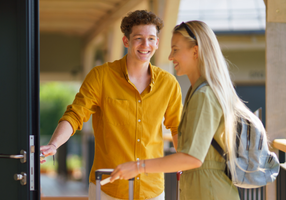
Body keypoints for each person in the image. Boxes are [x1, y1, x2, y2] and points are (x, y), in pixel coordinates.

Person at [110, 20, 268, 200]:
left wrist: (137, 167)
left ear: (195, 51)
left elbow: (192, 158)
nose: (170, 57)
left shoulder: (204, 95)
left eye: (175, 49)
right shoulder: (199, 92)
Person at [40, 10, 183, 200]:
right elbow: (75, 115)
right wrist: (54, 144)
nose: (145, 45)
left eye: (151, 38)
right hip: (108, 188)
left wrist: (185, 162)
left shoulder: (168, 83)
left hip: (152, 189)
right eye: (138, 38)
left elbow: (177, 128)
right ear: (126, 41)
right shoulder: (101, 76)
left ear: (157, 42)